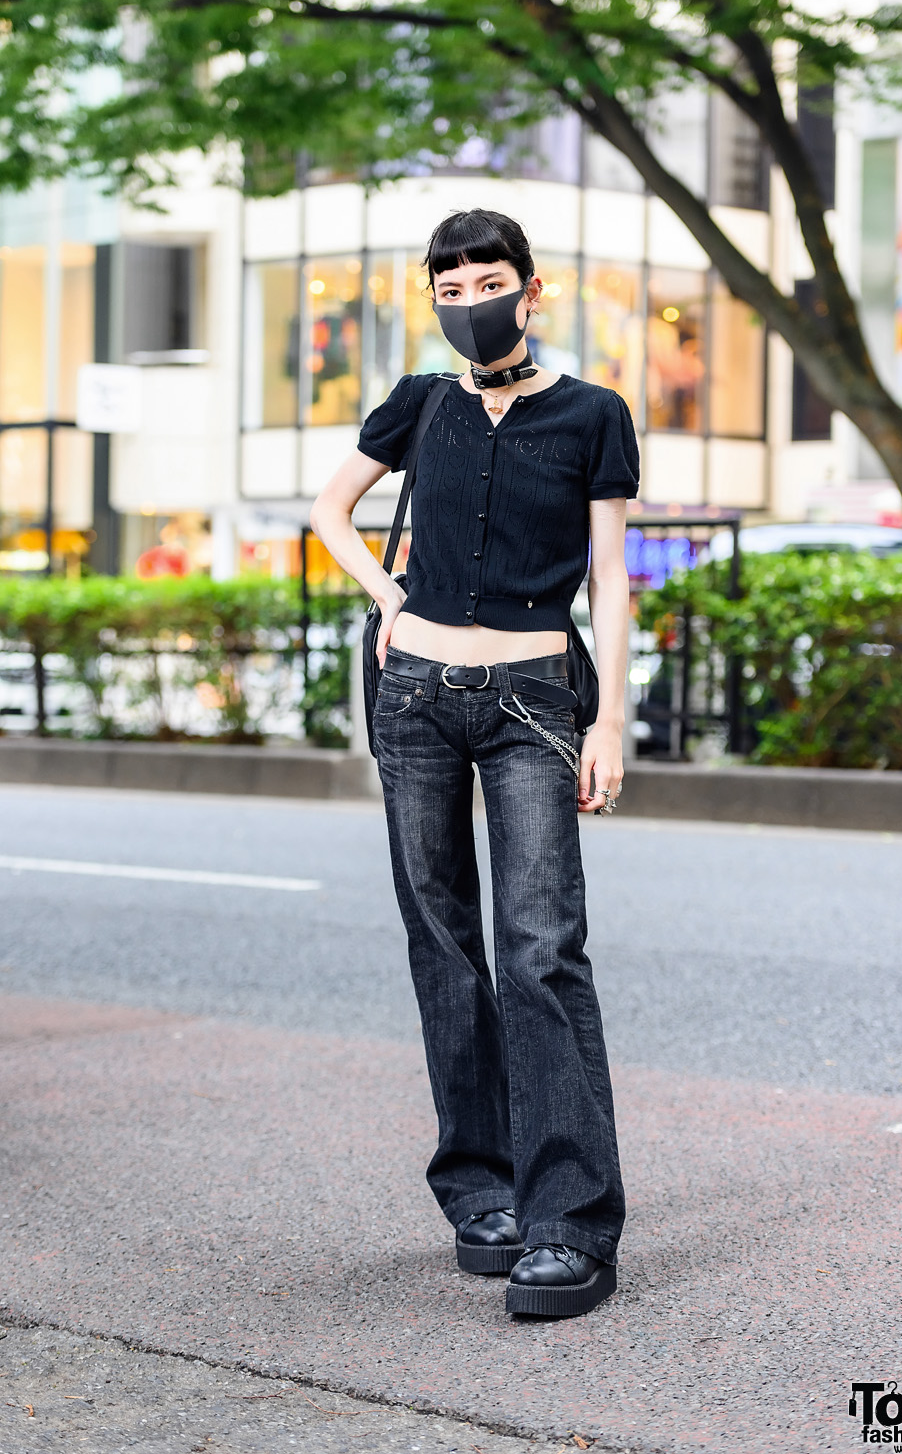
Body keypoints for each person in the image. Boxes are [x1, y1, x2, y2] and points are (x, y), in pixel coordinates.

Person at [310, 208, 639, 1319]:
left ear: (531, 291)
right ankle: (481, 1196)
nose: (468, 306)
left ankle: (573, 1224)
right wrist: (388, 593)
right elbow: (328, 512)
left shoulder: (594, 414)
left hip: (536, 701)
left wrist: (612, 722)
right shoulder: (418, 406)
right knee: (443, 945)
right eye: (447, 292)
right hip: (415, 699)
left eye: (486, 284)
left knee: (541, 948)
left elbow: (610, 579)